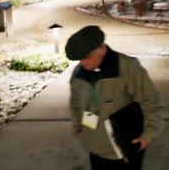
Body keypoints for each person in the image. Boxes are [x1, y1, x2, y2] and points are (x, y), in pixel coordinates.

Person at [67, 25, 163, 170]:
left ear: (102, 49)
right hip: (95, 149)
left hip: (124, 151)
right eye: (80, 59)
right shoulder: (78, 73)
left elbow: (151, 101)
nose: (83, 63)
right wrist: (78, 128)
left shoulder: (127, 67)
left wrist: (147, 135)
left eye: (87, 57)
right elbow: (75, 103)